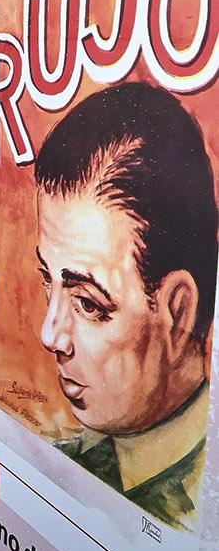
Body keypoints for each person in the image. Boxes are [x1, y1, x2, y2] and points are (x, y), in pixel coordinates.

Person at [35, 82, 215, 528]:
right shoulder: (72, 456)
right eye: (47, 281)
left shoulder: (196, 513)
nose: (50, 334)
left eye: (88, 304)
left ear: (177, 314)